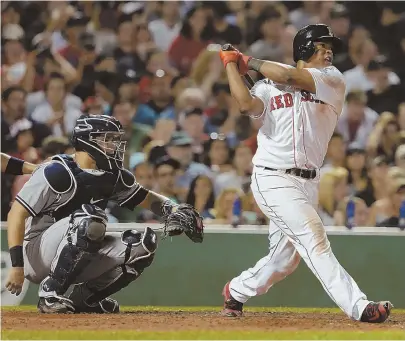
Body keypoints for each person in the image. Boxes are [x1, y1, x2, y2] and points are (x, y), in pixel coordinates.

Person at [218, 24, 392, 323]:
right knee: (314, 238)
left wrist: (247, 59)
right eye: (322, 45)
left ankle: (236, 289)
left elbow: (288, 75)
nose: (329, 51)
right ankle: (360, 307)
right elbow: (246, 104)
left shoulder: (332, 79)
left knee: (284, 261)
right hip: (272, 176)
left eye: (331, 46)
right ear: (304, 48)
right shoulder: (267, 86)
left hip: (308, 181)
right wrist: (231, 65)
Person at [5, 114, 203, 314]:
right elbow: (16, 214)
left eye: (115, 139)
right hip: (36, 252)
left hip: (77, 248)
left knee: (143, 243)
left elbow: (146, 198)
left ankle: (87, 298)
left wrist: (172, 207)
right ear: (87, 141)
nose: (113, 145)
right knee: (90, 218)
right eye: (106, 139)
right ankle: (50, 292)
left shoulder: (111, 176)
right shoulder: (56, 172)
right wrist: (17, 266)